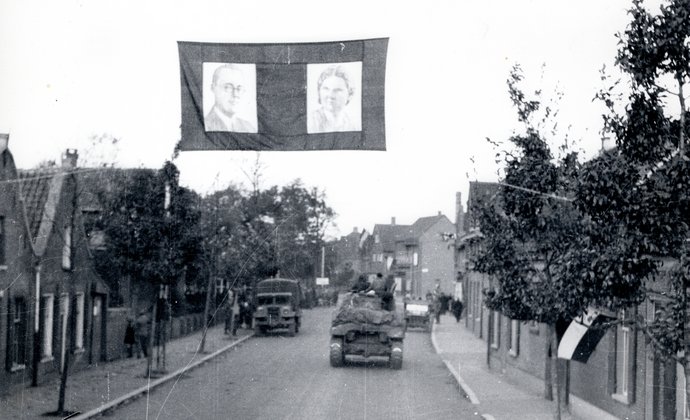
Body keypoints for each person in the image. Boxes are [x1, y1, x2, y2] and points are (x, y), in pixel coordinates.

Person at [205, 64, 256, 133]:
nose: (235, 94)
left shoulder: (249, 128)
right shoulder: (205, 125)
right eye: (228, 87)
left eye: (239, 88)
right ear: (213, 88)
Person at [308, 65, 358, 133]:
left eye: (337, 90)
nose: (330, 95)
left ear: (350, 94)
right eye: (326, 89)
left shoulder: (352, 125)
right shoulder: (310, 122)